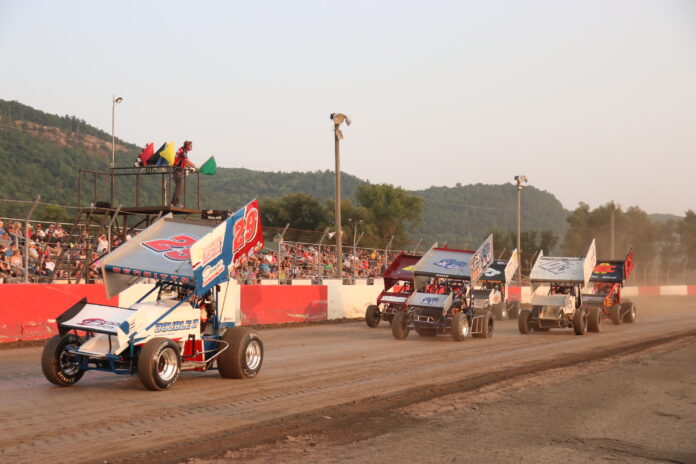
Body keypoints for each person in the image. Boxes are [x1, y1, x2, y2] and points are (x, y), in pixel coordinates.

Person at [171, 140, 198, 207]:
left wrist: (189, 168)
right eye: (190, 146)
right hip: (177, 170)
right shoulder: (183, 152)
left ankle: (173, 202)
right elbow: (186, 160)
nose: (191, 147)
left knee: (178, 186)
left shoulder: (181, 150)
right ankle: (176, 202)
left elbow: (183, 162)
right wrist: (194, 165)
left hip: (177, 169)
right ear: (187, 146)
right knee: (179, 186)